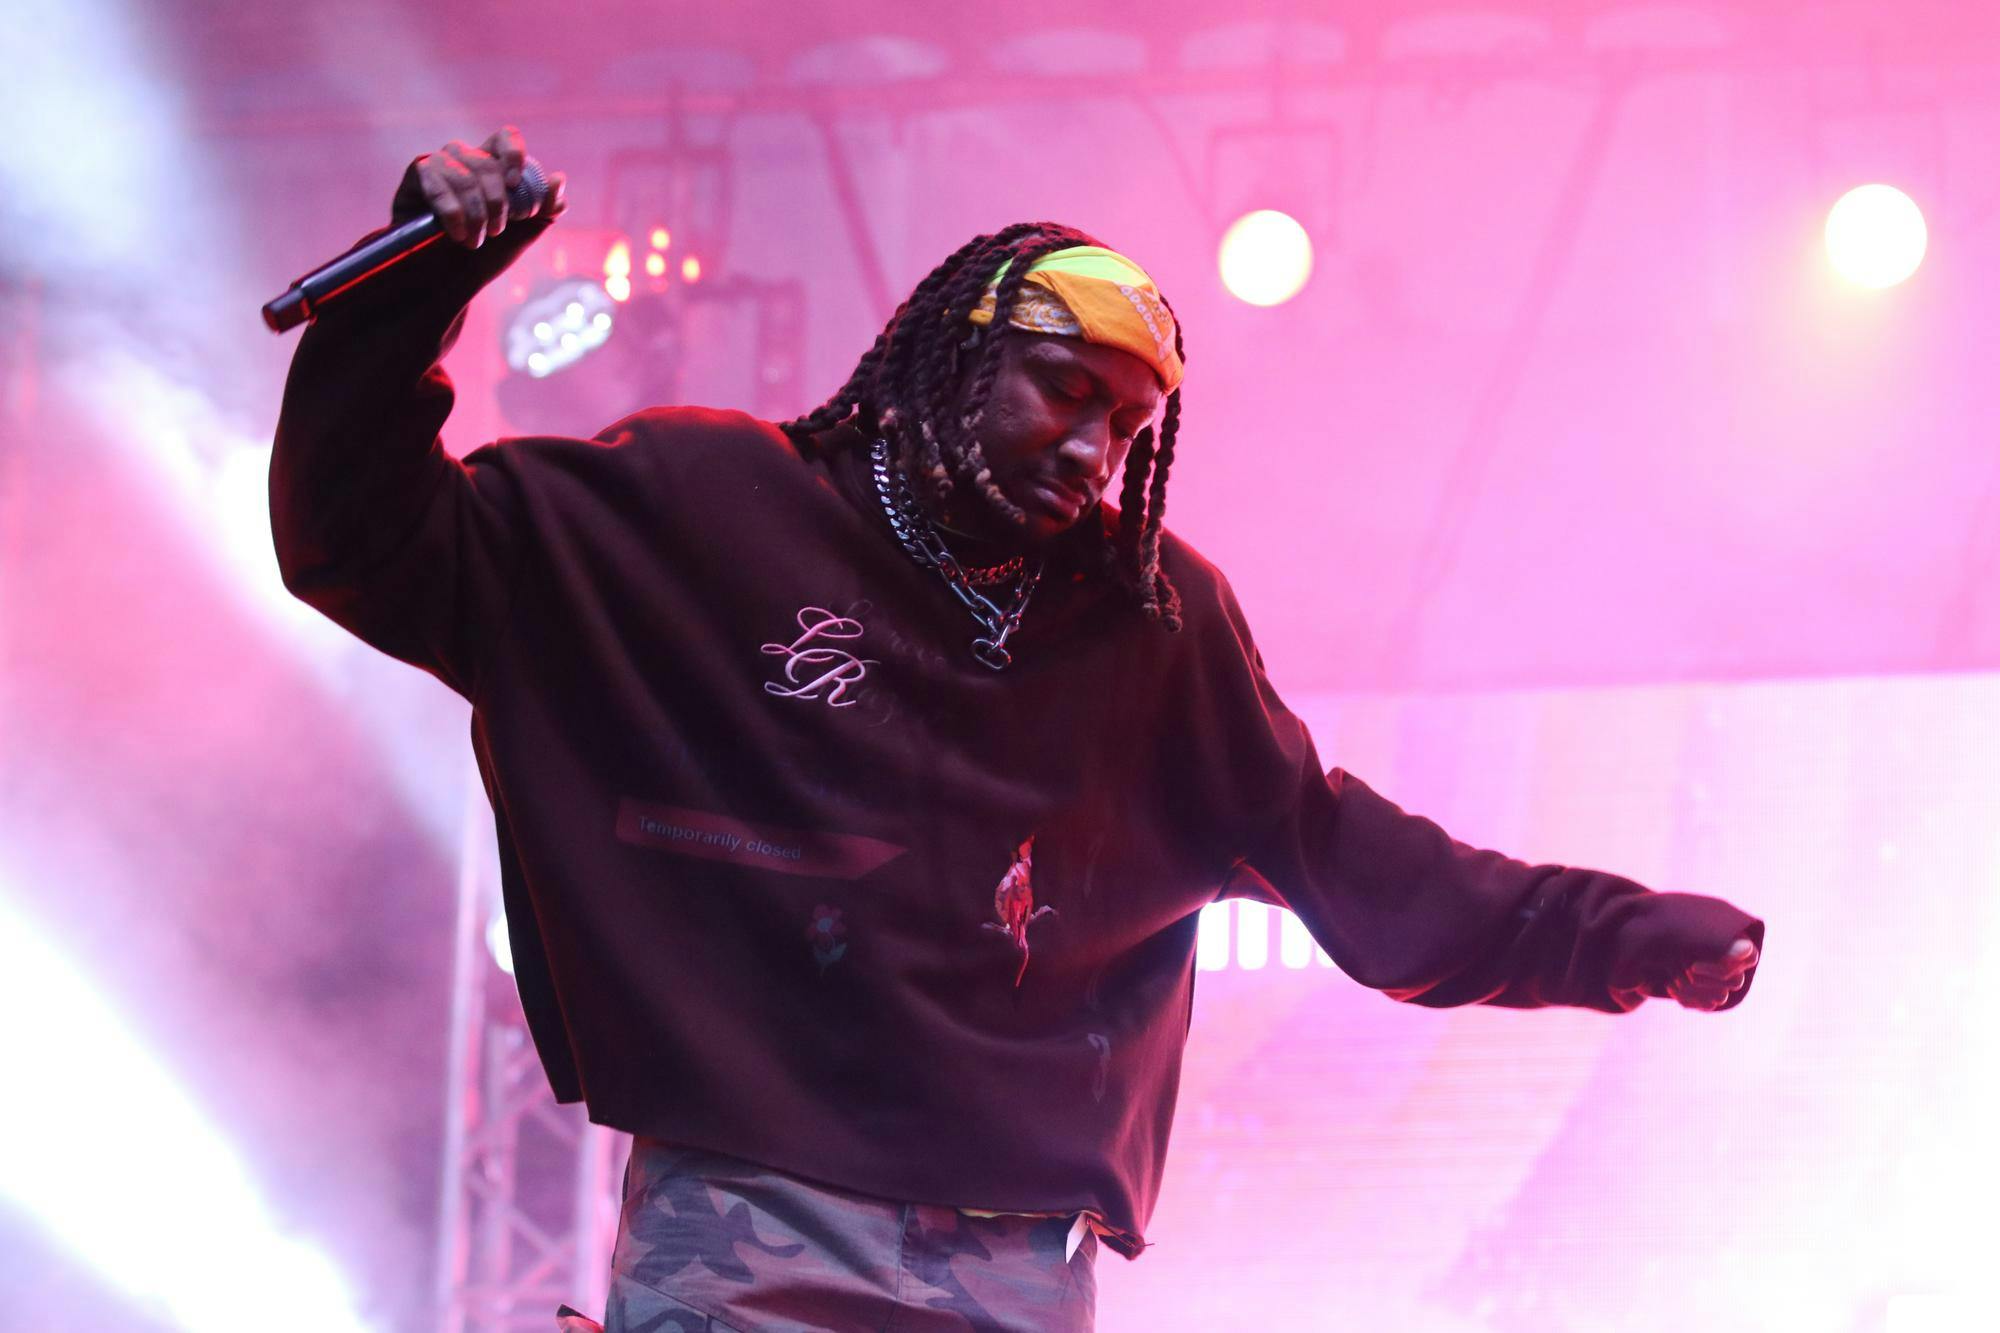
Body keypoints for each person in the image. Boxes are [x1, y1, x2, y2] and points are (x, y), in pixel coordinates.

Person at [270, 126, 1765, 1333]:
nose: (1093, 447)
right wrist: (407, 298)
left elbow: (1350, 859)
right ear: (960, 352)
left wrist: (1613, 934)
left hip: (1013, 1268)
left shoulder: (1150, 623)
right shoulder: (707, 512)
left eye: (1127, 423)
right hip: (747, 1231)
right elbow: (365, 541)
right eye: (1066, 390)